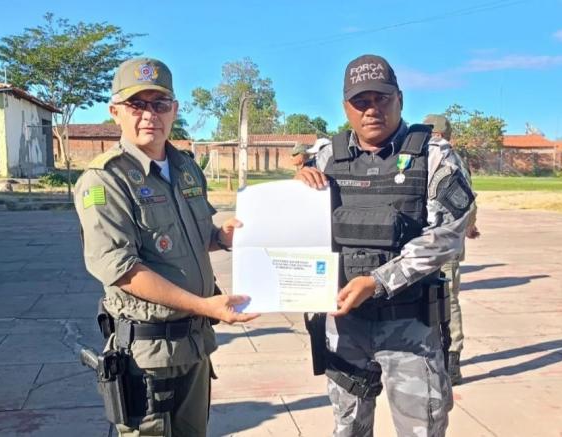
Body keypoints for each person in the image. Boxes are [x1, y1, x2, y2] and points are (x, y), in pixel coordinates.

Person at [74, 57, 258, 437]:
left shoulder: (186, 167)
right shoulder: (104, 180)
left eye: (159, 104)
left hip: (195, 346)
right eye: (136, 104)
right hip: (149, 357)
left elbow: (196, 232)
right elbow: (121, 270)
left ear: (173, 109)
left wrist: (221, 236)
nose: (148, 115)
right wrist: (206, 306)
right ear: (115, 112)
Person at [296, 54, 475, 437]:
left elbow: (447, 235)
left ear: (400, 99)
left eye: (382, 98)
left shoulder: (434, 155)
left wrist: (377, 282)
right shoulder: (326, 156)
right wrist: (297, 187)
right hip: (345, 329)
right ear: (346, 107)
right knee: (347, 430)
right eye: (361, 101)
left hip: (409, 328)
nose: (372, 109)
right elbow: (298, 225)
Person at [423, 114, 481, 385]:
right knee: (446, 299)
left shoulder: (439, 158)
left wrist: (468, 226)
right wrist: (470, 226)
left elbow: (467, 200)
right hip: (436, 243)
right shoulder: (442, 158)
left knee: (444, 299)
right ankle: (445, 354)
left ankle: (450, 358)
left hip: (436, 244)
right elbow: (470, 202)